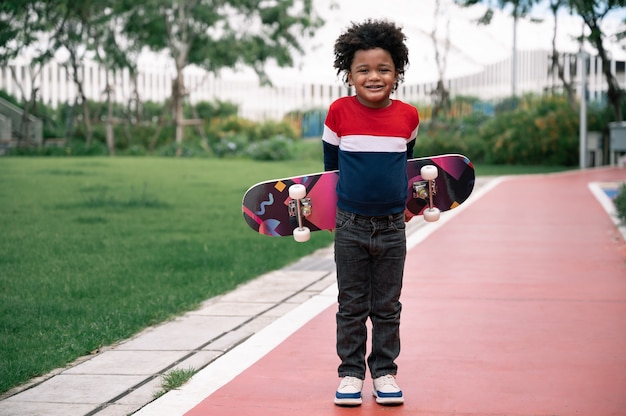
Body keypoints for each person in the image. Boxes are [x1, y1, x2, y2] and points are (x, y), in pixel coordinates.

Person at [322, 19, 419, 407]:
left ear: (397, 73)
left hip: (393, 225)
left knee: (387, 306)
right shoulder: (338, 113)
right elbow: (329, 171)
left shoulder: (408, 116)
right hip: (349, 223)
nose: (374, 76)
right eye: (364, 69)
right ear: (349, 74)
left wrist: (408, 205)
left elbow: (407, 166)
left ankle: (384, 372)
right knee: (351, 305)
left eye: (383, 69)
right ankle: (349, 374)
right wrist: (329, 217)